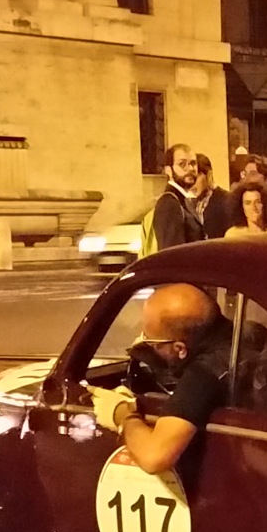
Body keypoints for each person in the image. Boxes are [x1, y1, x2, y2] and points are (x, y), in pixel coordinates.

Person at [90, 284, 231, 475]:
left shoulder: (204, 375)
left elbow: (154, 457)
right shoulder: (250, 336)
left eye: (153, 343)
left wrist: (123, 415)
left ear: (180, 348)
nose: (145, 343)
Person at [152, 144, 206, 250]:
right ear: (168, 170)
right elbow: (171, 253)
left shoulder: (183, 200)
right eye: (182, 164)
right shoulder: (168, 203)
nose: (190, 168)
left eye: (193, 163)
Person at [196, 153, 238, 240]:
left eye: (196, 177)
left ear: (209, 175)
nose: (192, 184)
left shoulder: (228, 201)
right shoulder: (187, 203)